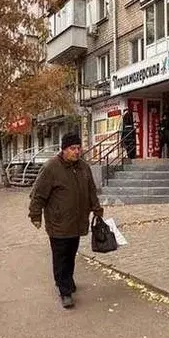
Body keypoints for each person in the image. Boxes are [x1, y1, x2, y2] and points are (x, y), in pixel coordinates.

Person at [28, 132, 104, 309]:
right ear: (63, 150)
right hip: (58, 222)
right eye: (73, 148)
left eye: (79, 148)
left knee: (71, 254)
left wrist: (97, 209)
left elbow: (91, 190)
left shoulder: (84, 167)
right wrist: (35, 215)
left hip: (77, 221)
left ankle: (67, 279)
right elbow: (38, 194)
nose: (77, 152)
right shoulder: (51, 168)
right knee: (61, 256)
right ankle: (65, 291)